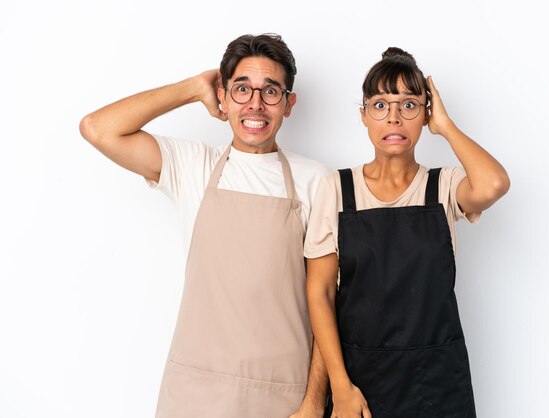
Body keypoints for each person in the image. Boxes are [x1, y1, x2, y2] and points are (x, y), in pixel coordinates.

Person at [80, 33, 329, 418]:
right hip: (195, 393)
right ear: (224, 97)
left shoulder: (317, 180)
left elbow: (329, 301)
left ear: (289, 103)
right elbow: (98, 128)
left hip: (282, 395)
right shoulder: (191, 164)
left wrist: (313, 403)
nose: (255, 105)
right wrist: (192, 88)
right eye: (242, 89)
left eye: (271, 91)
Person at [305, 47, 510, 417]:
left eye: (409, 105)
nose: (394, 118)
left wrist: (445, 126)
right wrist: (340, 385)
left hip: (438, 381)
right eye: (381, 105)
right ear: (363, 115)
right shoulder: (337, 189)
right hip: (360, 381)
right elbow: (319, 293)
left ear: (425, 114)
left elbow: (494, 183)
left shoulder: (443, 186)